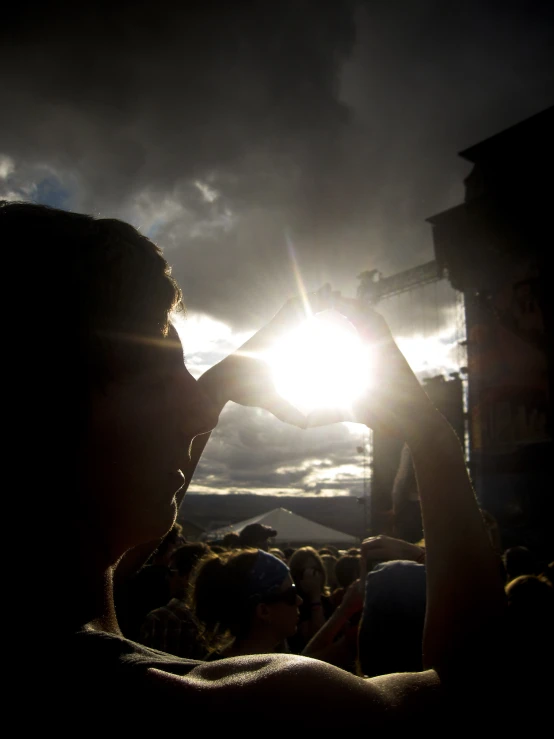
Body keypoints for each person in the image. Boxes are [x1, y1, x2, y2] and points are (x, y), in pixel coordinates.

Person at [5, 200, 508, 729]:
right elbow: (474, 693)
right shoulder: (258, 706)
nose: (199, 410)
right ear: (41, 403)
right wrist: (432, 438)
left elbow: (116, 559)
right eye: (157, 375)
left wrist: (223, 383)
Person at [191, 549, 302, 658]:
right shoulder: (269, 674)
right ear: (263, 611)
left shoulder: (215, 667)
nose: (299, 601)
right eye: (291, 594)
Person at [139, 542, 209, 659]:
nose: (167, 578)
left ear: (188, 576)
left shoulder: (162, 618)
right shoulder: (219, 618)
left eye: (171, 571)